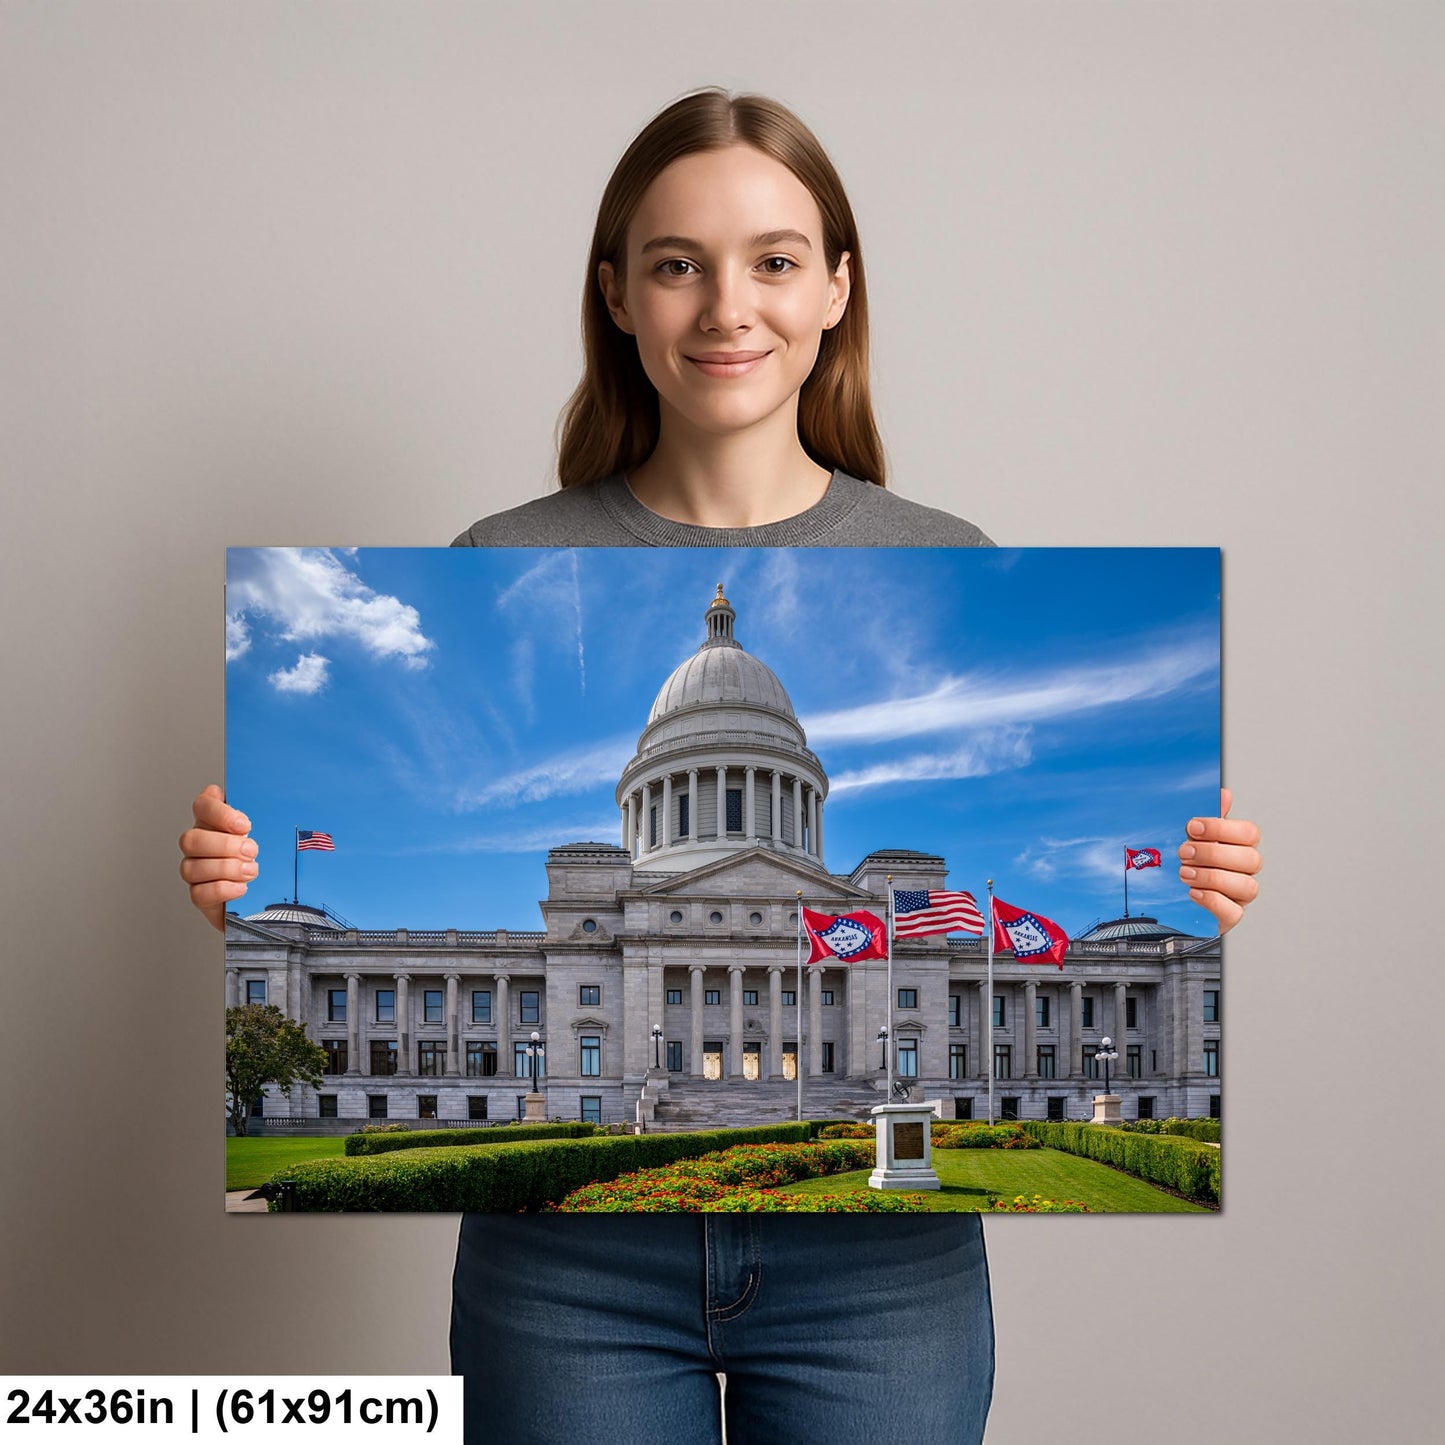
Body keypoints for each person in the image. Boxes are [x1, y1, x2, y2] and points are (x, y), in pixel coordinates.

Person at [182, 89, 1261, 1444]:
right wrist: (220, 886)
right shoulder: (501, 543)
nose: (725, 306)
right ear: (617, 295)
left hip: (884, 1281)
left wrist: (1220, 884)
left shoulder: (943, 545)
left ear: (834, 291)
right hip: (567, 1276)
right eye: (676, 260)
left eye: (773, 258)